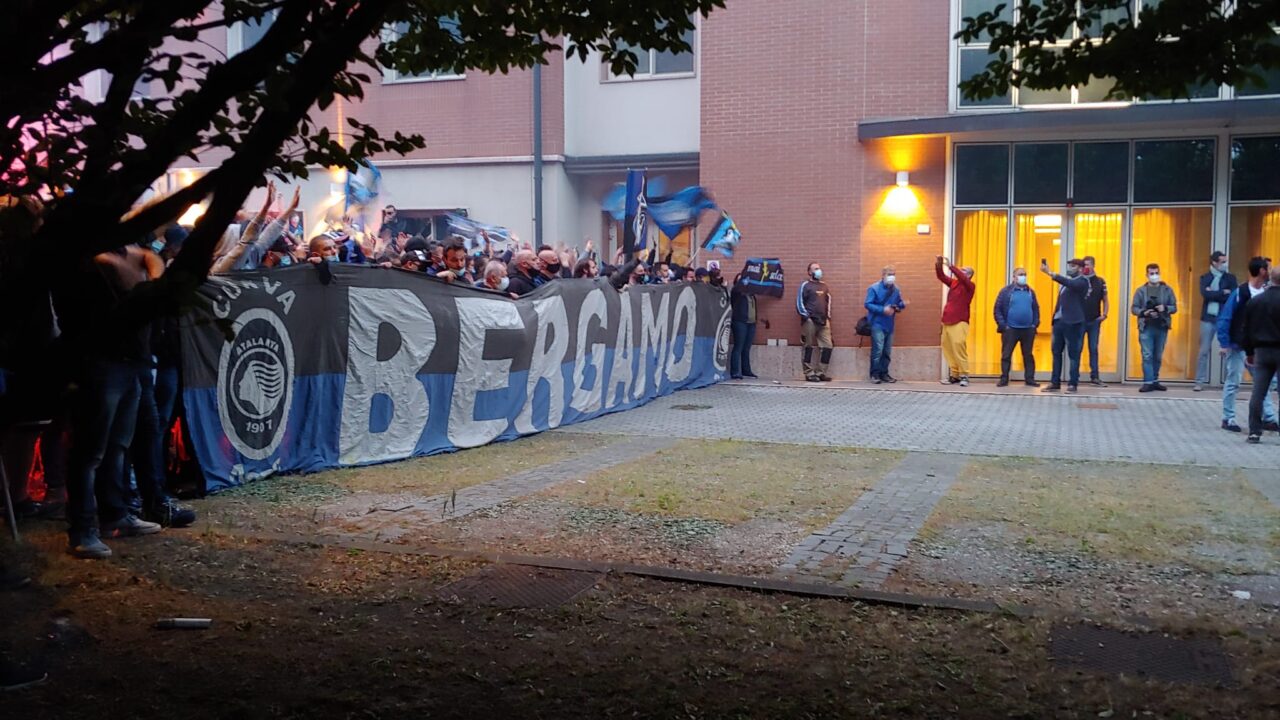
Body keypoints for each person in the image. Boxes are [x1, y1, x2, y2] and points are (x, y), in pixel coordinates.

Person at [1217, 256, 1279, 433]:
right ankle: (1228, 418)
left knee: (1263, 383)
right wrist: (1224, 342)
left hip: (1257, 346)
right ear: (1262, 271)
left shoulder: (1266, 293)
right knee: (1233, 381)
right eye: (1268, 268)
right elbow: (1226, 317)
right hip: (1238, 345)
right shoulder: (1240, 292)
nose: (1270, 270)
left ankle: (1268, 418)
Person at [1040, 257, 1090, 393]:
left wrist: (1050, 273)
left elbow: (1070, 284)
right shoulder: (1066, 284)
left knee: (1074, 355)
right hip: (1059, 322)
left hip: (1074, 323)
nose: (1070, 268)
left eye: (1073, 266)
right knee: (1056, 353)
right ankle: (1054, 382)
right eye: (1069, 266)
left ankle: (1073, 383)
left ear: (1080, 268)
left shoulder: (1083, 282)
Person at [1242, 266, 1280, 444]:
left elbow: (1247, 329)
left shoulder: (1256, 301)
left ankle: (1255, 432)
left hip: (1262, 351)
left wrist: (1249, 352)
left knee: (1258, 392)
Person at [1130, 262, 1177, 393]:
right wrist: (1145, 312)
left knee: (1157, 355)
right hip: (1146, 326)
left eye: (1156, 273)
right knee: (1147, 355)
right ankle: (1148, 382)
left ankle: (1155, 380)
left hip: (1162, 325)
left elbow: (1174, 307)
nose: (1154, 275)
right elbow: (1134, 308)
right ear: (1147, 275)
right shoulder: (1141, 291)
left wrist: (1165, 308)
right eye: (1152, 273)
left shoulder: (1167, 290)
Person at [993, 267, 1040, 387]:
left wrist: (1034, 324)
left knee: (1028, 355)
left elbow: (1035, 309)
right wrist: (1003, 325)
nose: (1023, 276)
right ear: (1014, 277)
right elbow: (997, 309)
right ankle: (1004, 379)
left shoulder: (1030, 292)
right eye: (1020, 274)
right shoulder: (1006, 291)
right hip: (1011, 329)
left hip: (1028, 329)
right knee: (1006, 354)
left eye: (1024, 274)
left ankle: (1030, 379)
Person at [1196, 251, 1236, 391]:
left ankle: (1229, 382)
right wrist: (1221, 292)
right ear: (1214, 262)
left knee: (1227, 349)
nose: (1225, 264)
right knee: (1203, 351)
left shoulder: (1230, 278)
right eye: (1222, 261)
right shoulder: (1205, 277)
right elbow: (1205, 294)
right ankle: (1199, 381)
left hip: (1224, 318)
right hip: (1208, 318)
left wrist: (1214, 293)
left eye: (1225, 261)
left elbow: (1231, 295)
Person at [935, 256, 975, 386]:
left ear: (969, 275)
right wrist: (939, 264)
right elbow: (941, 276)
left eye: (964, 270)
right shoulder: (954, 283)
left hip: (960, 321)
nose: (961, 272)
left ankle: (964, 375)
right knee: (948, 348)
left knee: (958, 346)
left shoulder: (970, 286)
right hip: (947, 320)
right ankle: (955, 375)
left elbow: (962, 278)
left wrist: (952, 266)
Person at [864, 265, 907, 383]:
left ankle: (884, 373)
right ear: (883, 276)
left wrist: (901, 305)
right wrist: (883, 309)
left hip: (889, 324)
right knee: (878, 350)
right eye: (889, 274)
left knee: (887, 351)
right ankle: (874, 374)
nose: (892, 277)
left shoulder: (896, 289)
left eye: (893, 274)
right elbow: (868, 304)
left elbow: (898, 302)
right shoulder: (874, 288)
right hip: (877, 323)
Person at [796, 262, 833, 382]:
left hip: (823, 321)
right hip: (810, 320)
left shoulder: (824, 286)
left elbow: (828, 301)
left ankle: (821, 372)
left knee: (827, 346)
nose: (819, 270)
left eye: (819, 268)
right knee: (808, 346)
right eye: (816, 269)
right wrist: (806, 316)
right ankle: (809, 373)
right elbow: (799, 302)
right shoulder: (805, 285)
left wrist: (827, 316)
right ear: (809, 272)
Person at [1081, 256, 1109, 386]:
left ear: (1093, 265)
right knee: (1077, 348)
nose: (1085, 267)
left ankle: (1095, 376)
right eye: (1084, 265)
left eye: (1087, 265)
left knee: (1093, 348)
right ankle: (1074, 377)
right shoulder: (1079, 281)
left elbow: (1105, 299)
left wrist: (1104, 314)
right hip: (1079, 321)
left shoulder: (1100, 281)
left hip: (1094, 321)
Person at [730, 272, 758, 379]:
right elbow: (735, 291)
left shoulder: (751, 294)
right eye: (741, 279)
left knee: (746, 348)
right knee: (739, 346)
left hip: (751, 323)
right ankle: (735, 371)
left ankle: (746, 370)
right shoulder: (737, 292)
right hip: (740, 322)